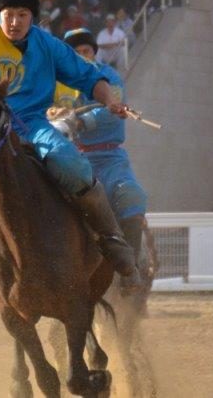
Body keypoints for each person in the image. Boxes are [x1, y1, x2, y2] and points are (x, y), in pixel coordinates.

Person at [0, 0, 138, 298]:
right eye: (8, 14)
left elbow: (88, 77)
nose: (14, 22)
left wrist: (108, 99)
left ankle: (112, 240)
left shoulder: (49, 45)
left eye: (22, 14)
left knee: (73, 166)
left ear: (33, 17)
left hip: (34, 126)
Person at [59, 28, 148, 291]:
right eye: (76, 52)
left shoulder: (109, 78)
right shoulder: (58, 83)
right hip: (71, 157)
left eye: (86, 51)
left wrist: (80, 120)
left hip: (109, 157)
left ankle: (129, 269)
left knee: (131, 194)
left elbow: (113, 110)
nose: (82, 56)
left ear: (94, 53)